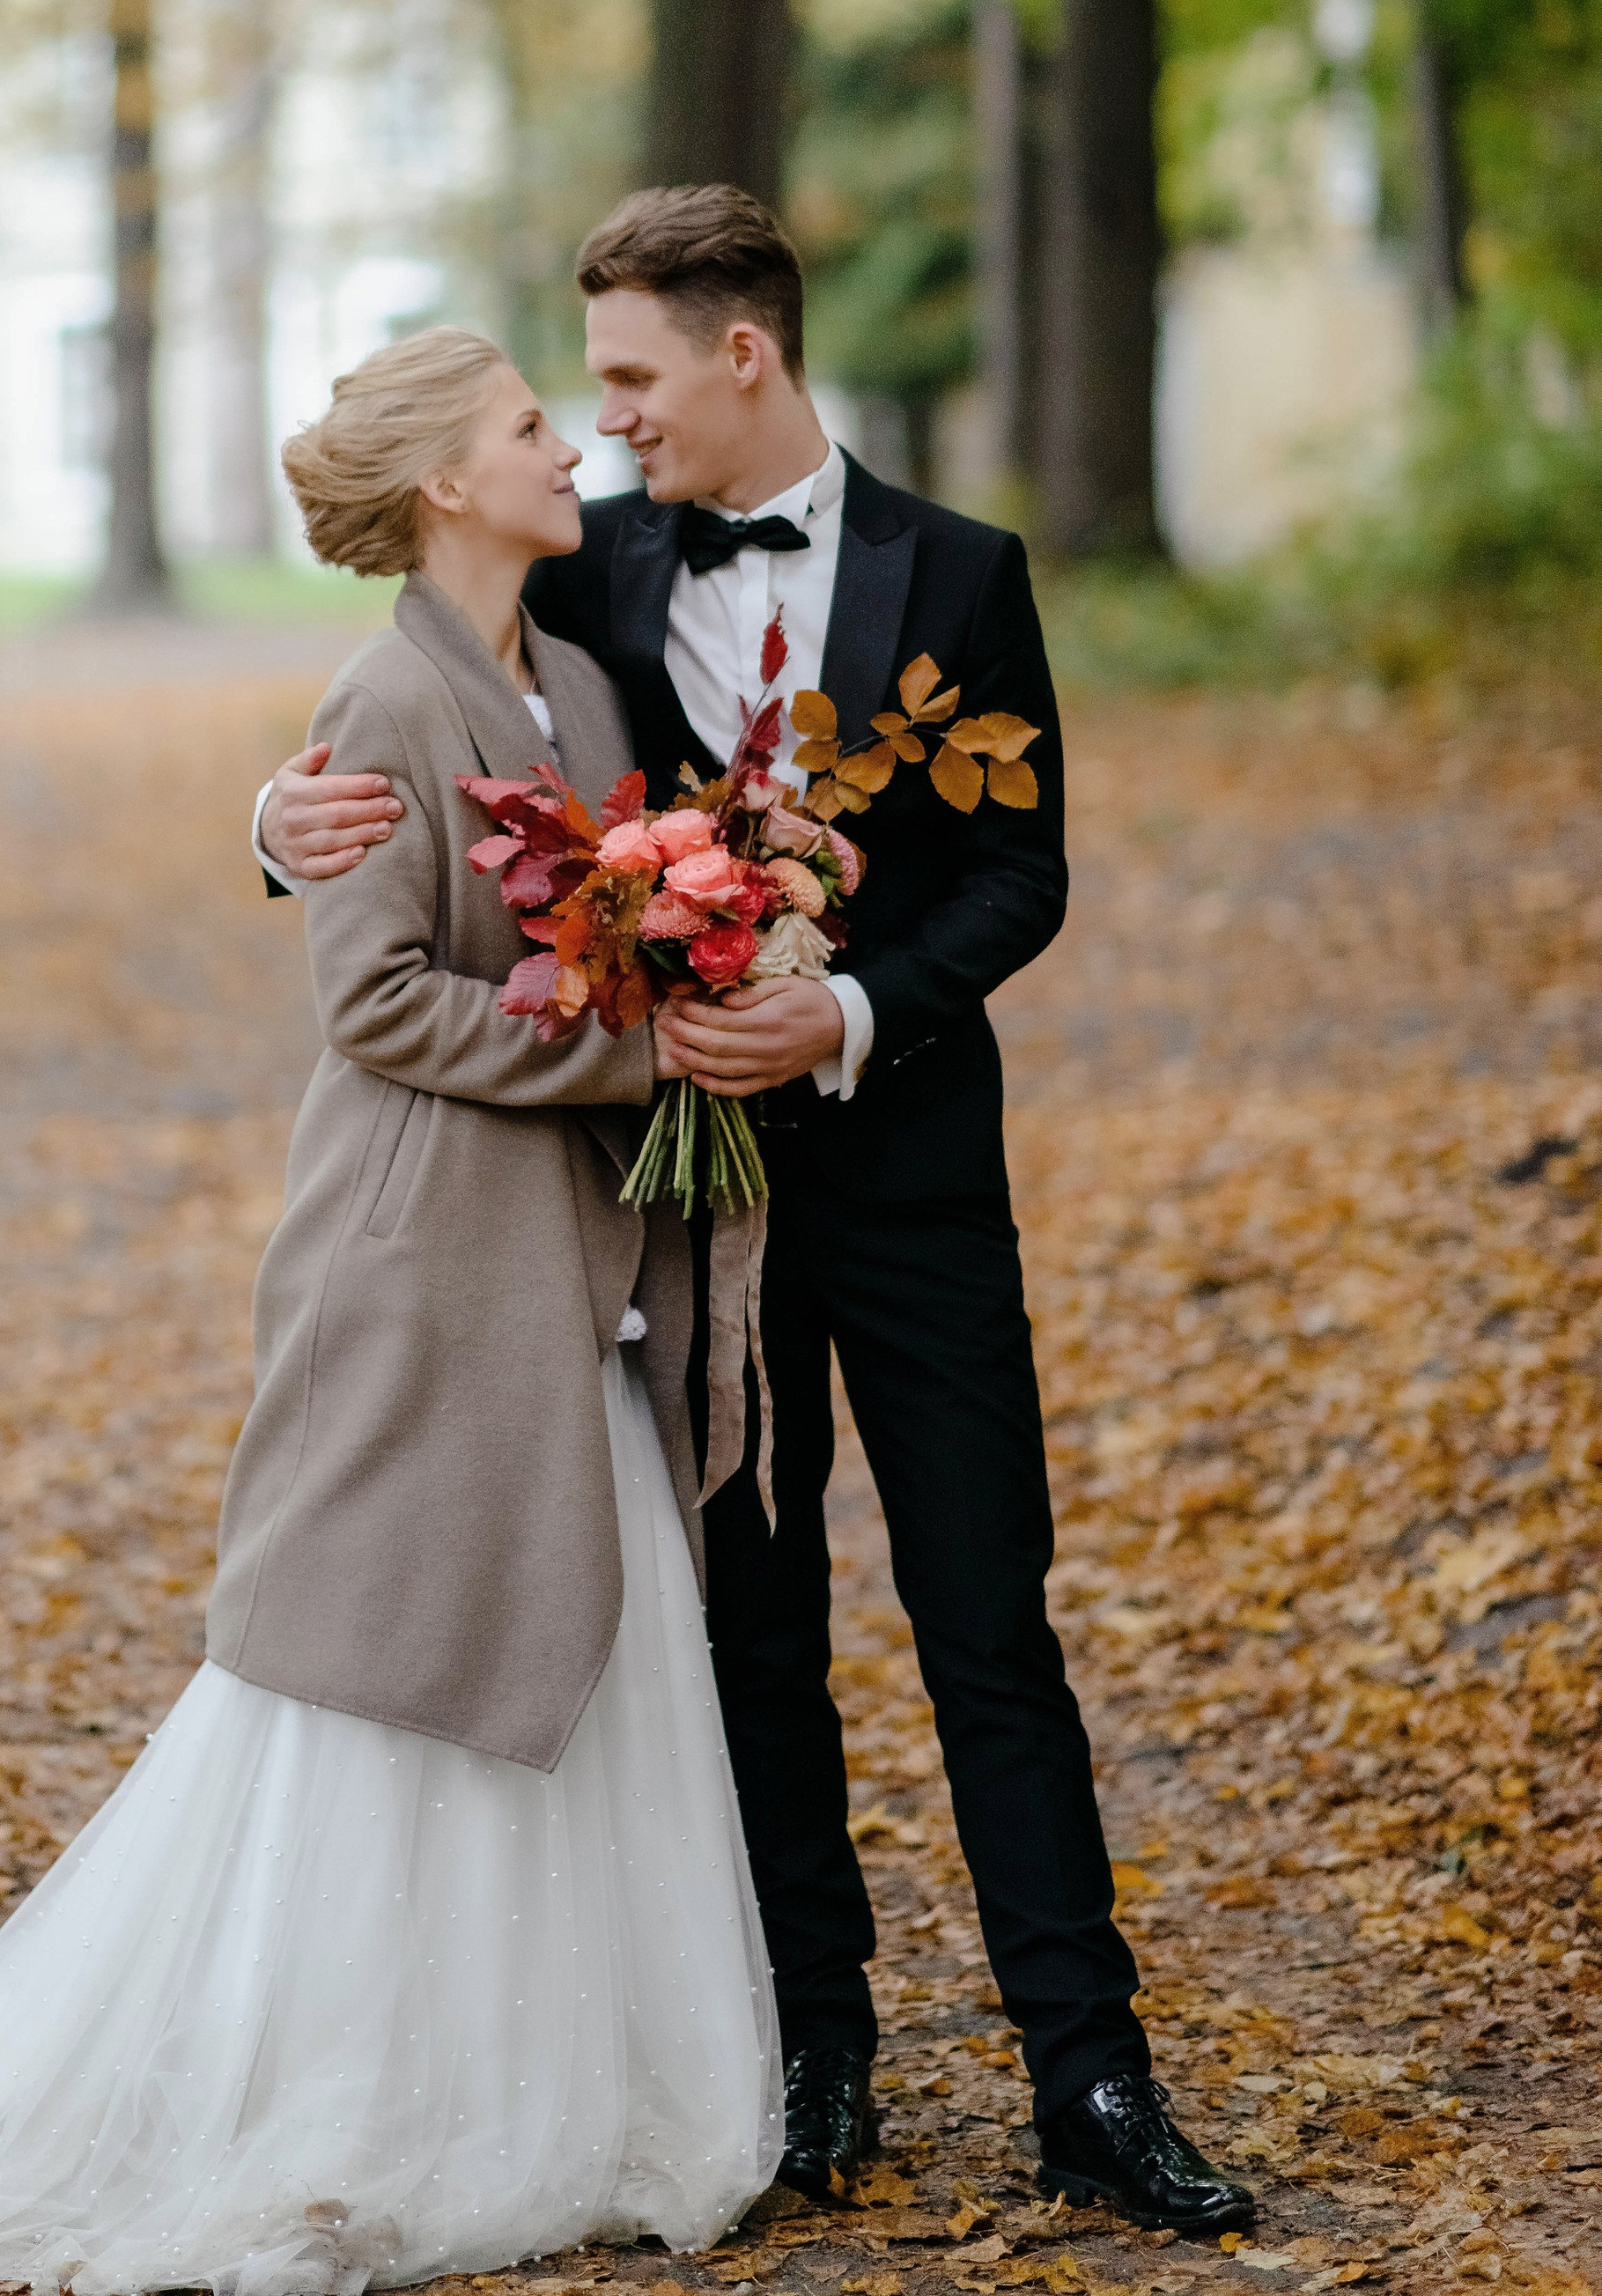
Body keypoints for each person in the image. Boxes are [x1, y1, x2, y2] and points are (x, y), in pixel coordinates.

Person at [0, 326, 779, 2296]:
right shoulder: (383, 695)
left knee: (574, 1621)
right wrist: (643, 1051)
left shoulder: (588, 682)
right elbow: (374, 1002)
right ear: (446, 482)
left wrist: (699, 970)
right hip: (427, 1257)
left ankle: (557, 2076)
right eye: (532, 427)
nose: (571, 450)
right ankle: (351, 2089)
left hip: (575, 1265)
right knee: (380, 1644)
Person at [257, 192, 1254, 2242]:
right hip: (683, 1203)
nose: (604, 422)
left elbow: (1021, 874)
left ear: (743, 353)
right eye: (580, 393)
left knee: (985, 1617)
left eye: (629, 377)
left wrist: (851, 1007)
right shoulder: (586, 561)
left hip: (913, 1180)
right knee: (747, 1628)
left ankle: (1090, 2071)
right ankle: (814, 2048)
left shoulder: (961, 574)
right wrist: (269, 829)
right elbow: (422, 722)